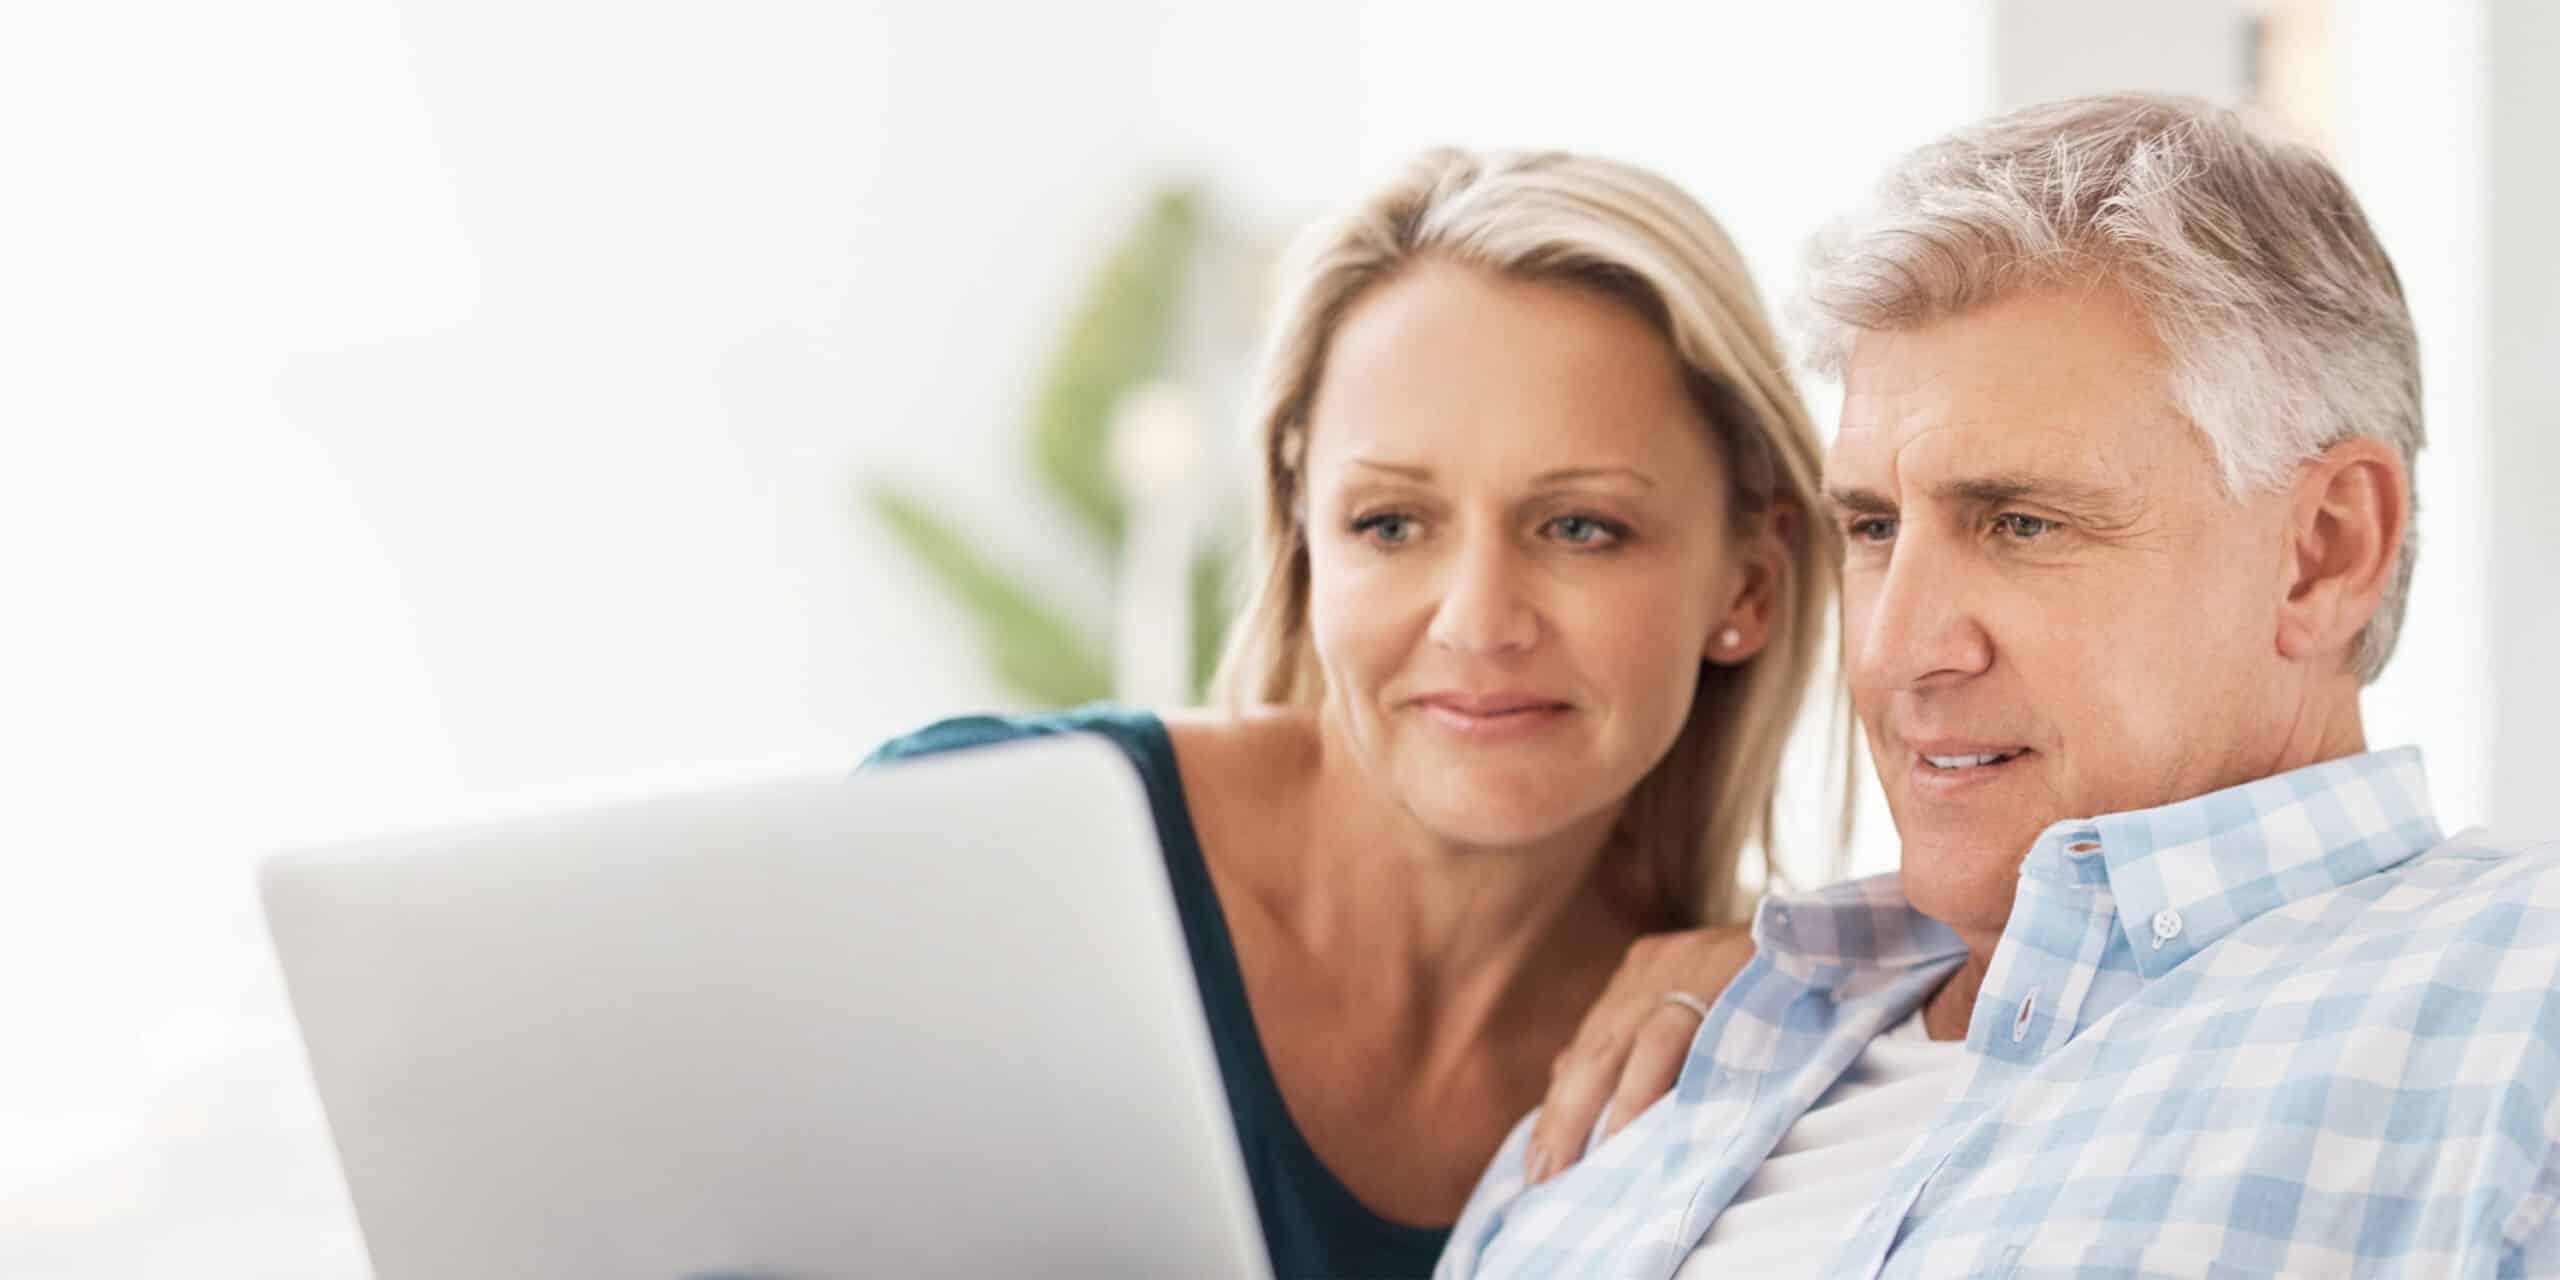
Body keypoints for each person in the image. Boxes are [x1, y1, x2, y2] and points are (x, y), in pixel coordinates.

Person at [1436, 92, 2560, 1279]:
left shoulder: (2514, 1004)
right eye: (1870, 526)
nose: (1891, 647)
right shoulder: (1661, 1072)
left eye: (2020, 522)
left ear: (2324, 548)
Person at [866, 147, 1837, 1278]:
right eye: (1390, 522)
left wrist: (1796, 986)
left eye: (1580, 526)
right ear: (1300, 529)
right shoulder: (981, 848)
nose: (1477, 622)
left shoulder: (1734, 1049)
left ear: (1747, 585)